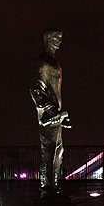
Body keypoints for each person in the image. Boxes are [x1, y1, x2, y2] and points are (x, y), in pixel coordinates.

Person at [30, 29, 71, 197]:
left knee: (58, 152)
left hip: (57, 116)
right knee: (49, 152)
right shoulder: (44, 62)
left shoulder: (54, 62)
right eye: (56, 38)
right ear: (47, 39)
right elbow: (36, 88)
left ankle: (53, 184)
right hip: (50, 116)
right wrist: (50, 111)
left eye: (60, 38)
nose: (59, 41)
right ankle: (47, 188)